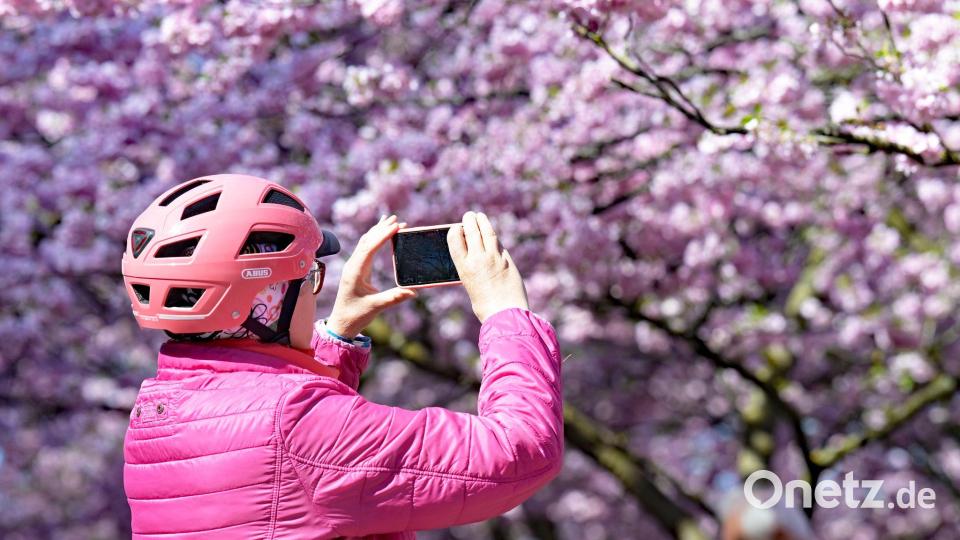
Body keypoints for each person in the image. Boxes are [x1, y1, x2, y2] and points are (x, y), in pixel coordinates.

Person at [120, 174, 564, 539]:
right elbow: (519, 451)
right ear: (266, 300)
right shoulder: (297, 424)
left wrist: (337, 335)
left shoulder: (158, 412)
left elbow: (284, 468)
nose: (316, 290)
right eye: (310, 275)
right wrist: (506, 313)